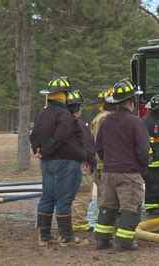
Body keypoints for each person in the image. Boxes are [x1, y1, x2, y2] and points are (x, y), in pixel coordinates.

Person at [30, 77, 86, 246]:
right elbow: (61, 136)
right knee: (64, 199)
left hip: (47, 163)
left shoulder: (42, 113)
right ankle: (67, 237)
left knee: (47, 197)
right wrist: (46, 150)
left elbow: (32, 136)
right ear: (63, 95)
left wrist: (38, 150)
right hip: (65, 162)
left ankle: (44, 236)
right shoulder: (64, 114)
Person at [94, 79, 149, 252]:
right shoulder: (135, 122)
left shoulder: (106, 121)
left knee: (108, 207)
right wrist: (142, 169)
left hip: (109, 173)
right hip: (129, 173)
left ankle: (102, 241)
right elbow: (143, 150)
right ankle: (125, 243)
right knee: (130, 208)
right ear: (131, 102)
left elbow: (99, 148)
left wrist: (109, 162)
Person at [68, 91, 97, 232]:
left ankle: (71, 222)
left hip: (69, 165)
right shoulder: (79, 126)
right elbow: (87, 145)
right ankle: (78, 224)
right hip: (83, 165)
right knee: (82, 194)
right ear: (78, 108)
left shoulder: (62, 123)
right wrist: (92, 161)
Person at [90, 88, 115, 208]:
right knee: (105, 195)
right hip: (103, 164)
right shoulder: (104, 118)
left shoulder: (103, 117)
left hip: (104, 163)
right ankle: (104, 218)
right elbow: (101, 142)